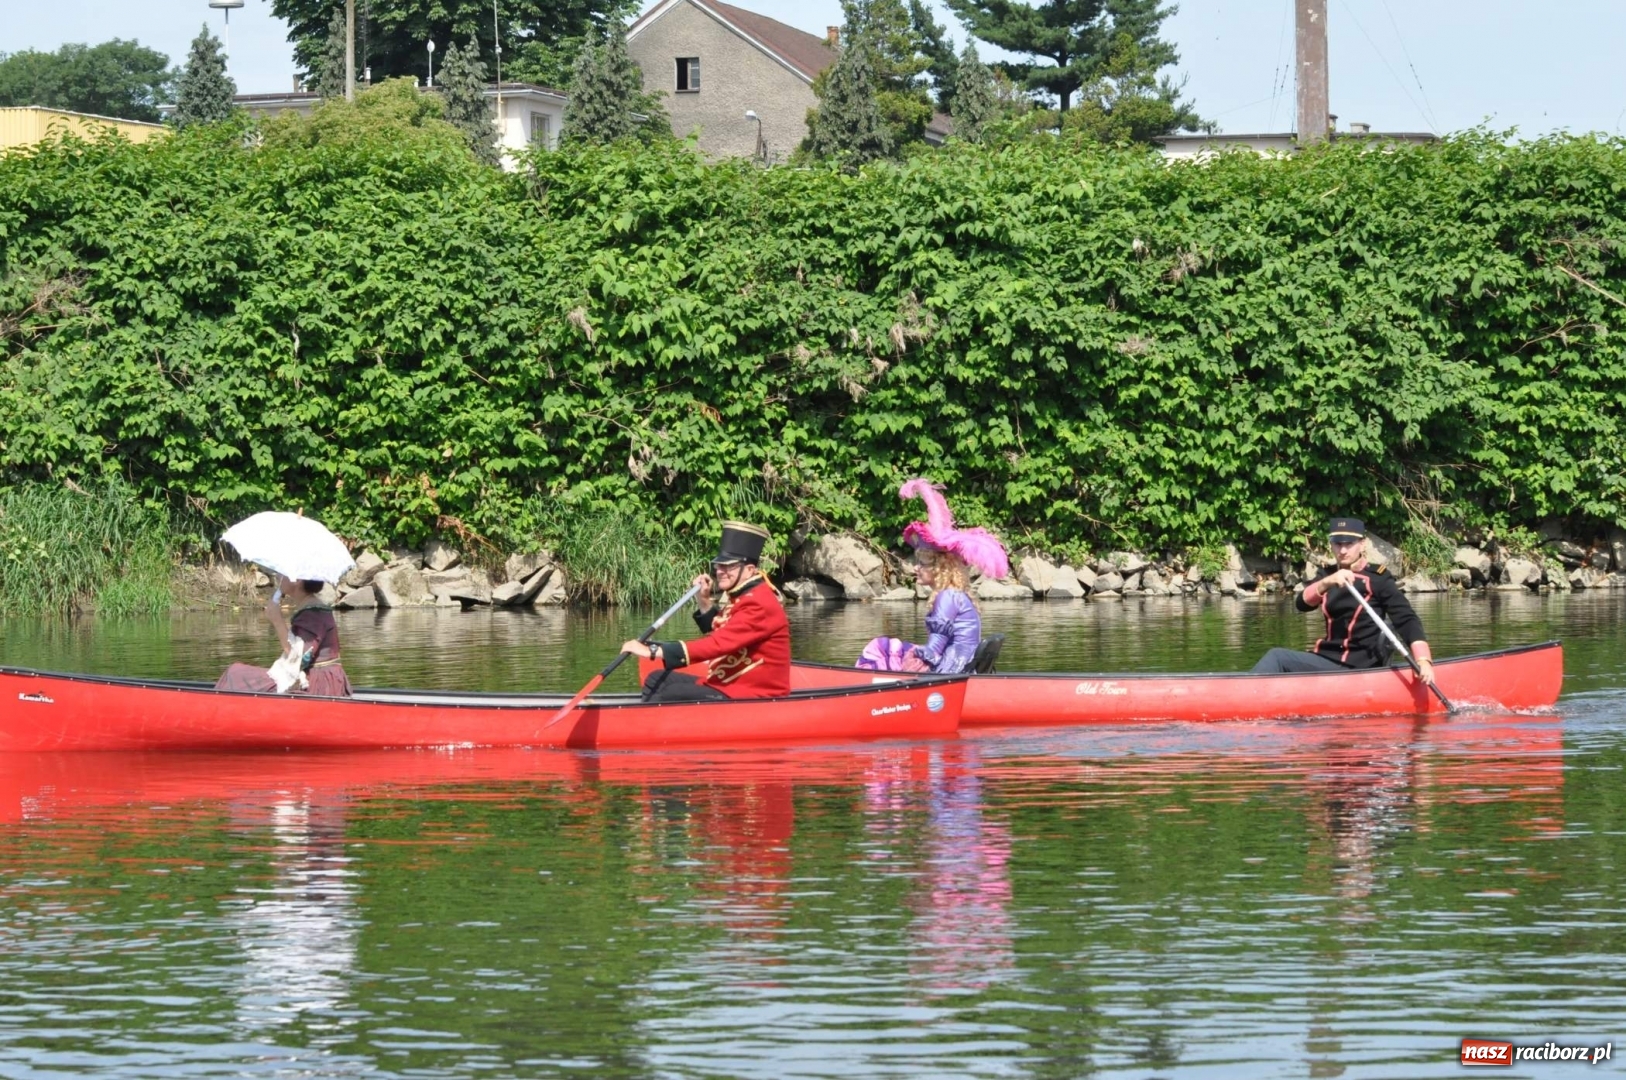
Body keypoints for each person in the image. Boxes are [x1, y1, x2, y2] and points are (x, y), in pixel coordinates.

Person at [1252, 517, 1436, 684]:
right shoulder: (1326, 575)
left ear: (1362, 544)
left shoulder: (1378, 578)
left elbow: (1406, 619)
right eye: (1337, 544)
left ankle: (1245, 693)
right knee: (1278, 659)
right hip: (1327, 657)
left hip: (1357, 665)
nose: (1343, 550)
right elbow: (1301, 604)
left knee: (1277, 657)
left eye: (1349, 543)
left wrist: (1423, 660)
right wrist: (1327, 582)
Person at [621, 522, 790, 702]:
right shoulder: (745, 594)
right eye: (718, 566)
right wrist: (703, 599)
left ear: (749, 570)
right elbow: (723, 630)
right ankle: (649, 723)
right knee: (656, 680)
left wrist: (654, 651)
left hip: (754, 693)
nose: (720, 572)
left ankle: (651, 725)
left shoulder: (759, 603)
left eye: (728, 566)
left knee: (669, 693)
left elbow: (717, 644)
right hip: (729, 684)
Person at [856, 478, 1009, 674]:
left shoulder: (948, 597)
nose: (915, 569)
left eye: (922, 563)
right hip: (960, 665)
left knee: (881, 649)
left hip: (952, 670)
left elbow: (934, 649)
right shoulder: (955, 595)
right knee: (898, 649)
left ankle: (866, 689)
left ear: (940, 567)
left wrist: (909, 663)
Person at [216, 575, 352, 697]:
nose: (279, 577)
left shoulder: (313, 612)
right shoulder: (311, 608)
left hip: (321, 684)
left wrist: (277, 620)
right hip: (320, 678)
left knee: (234, 673)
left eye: (284, 574)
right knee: (237, 672)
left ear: (297, 580)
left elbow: (299, 658)